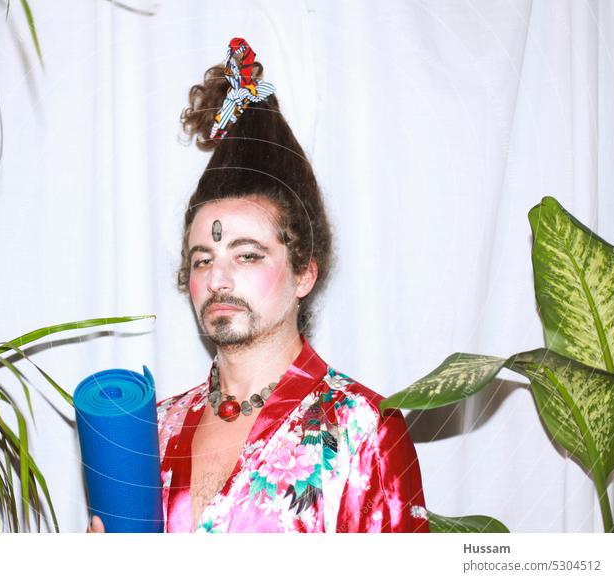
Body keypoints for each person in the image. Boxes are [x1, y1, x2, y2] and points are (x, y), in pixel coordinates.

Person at [88, 37, 428, 533]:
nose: (218, 279)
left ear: (304, 272)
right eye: (202, 259)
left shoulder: (367, 432)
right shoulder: (148, 431)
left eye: (247, 255)